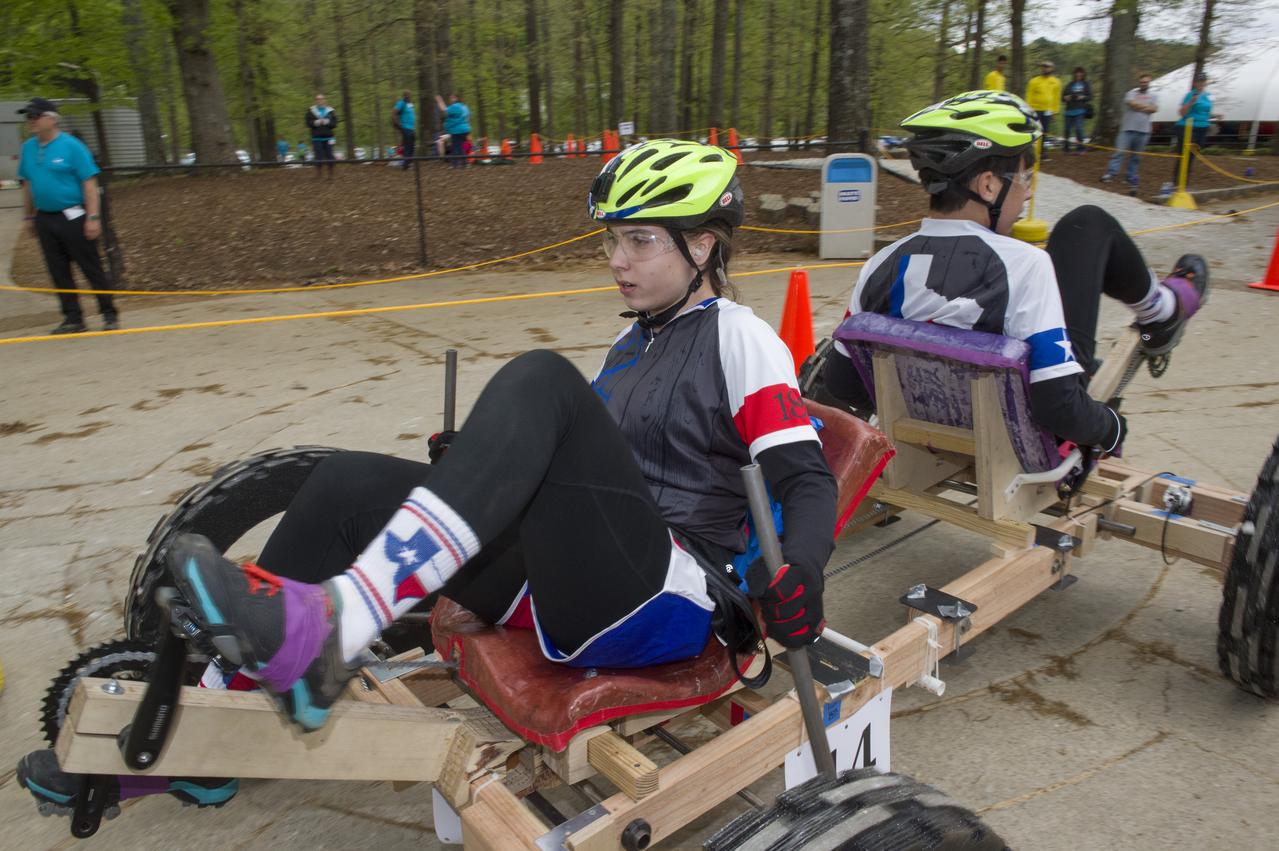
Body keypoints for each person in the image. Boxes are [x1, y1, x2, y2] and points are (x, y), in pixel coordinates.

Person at [17, 140, 838, 816]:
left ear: (703, 244)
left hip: (666, 597)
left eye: (640, 240)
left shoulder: (741, 337)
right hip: (577, 571)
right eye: (611, 239)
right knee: (341, 484)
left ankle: (336, 625)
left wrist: (798, 565)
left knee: (541, 377)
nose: (615, 260)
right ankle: (202, 734)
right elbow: (586, 478)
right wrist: (481, 467)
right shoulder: (634, 345)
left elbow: (803, 479)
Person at [820, 91, 1205, 459]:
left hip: (919, 430)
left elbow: (843, 384)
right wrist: (1112, 429)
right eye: (1024, 179)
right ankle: (1161, 310)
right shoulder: (1025, 264)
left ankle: (1162, 309)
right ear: (988, 185)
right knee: (1086, 225)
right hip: (1021, 441)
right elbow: (1061, 408)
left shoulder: (879, 264)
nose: (1026, 196)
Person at [16, 97, 120, 334]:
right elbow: (28, 184)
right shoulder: (28, 148)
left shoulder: (72, 146)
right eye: (28, 117)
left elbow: (89, 183)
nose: (31, 121)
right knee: (58, 270)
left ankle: (108, 313)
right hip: (45, 218)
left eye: (35, 116)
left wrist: (93, 218)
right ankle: (73, 318)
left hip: (73, 216)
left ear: (51, 119)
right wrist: (28, 217)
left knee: (90, 266)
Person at [1101, 73, 1158, 195]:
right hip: (1128, 128)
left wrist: (1140, 106)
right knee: (1119, 152)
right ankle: (1111, 173)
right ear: (1139, 82)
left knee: (1136, 156)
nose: (1144, 84)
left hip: (1144, 131)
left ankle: (1130, 176)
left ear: (1149, 83)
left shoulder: (1153, 95)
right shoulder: (1132, 93)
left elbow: (1154, 109)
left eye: (1146, 82)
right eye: (1142, 82)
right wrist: (1146, 107)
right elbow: (1131, 104)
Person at [1161, 71, 1214, 197]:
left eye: (1203, 81)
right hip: (1187, 127)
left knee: (1192, 156)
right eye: (1199, 81)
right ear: (1195, 83)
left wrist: (1214, 115)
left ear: (1206, 82)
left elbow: (1205, 111)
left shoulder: (1208, 96)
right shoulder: (1189, 95)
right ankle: (1177, 184)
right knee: (1185, 155)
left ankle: (1184, 184)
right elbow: (1182, 112)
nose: (1201, 83)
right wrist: (1191, 102)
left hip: (1203, 127)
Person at [1025, 60, 1061, 146]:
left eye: (1048, 67)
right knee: (1035, 130)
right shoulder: (1034, 81)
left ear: (1052, 68)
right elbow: (1029, 96)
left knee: (1045, 131)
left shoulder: (1056, 82)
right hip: (1035, 110)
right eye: (1043, 67)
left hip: (1048, 110)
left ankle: (1042, 153)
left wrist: (1055, 112)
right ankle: (1033, 151)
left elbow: (1056, 97)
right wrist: (1028, 110)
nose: (1045, 69)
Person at [305, 93, 338, 178]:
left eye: (322, 99)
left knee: (330, 155)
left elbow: (334, 124)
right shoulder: (311, 111)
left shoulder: (330, 111)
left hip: (329, 137)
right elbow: (308, 123)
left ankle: (331, 173)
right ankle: (318, 173)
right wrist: (315, 123)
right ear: (316, 101)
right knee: (318, 155)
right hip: (316, 137)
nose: (320, 101)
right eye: (318, 99)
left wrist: (328, 122)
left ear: (324, 100)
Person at [1061, 66, 1092, 154]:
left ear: (1083, 74)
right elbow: (1062, 97)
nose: (1078, 74)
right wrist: (1066, 97)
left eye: (1080, 72)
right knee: (1067, 130)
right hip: (1069, 110)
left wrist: (1083, 97)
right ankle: (1066, 149)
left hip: (1080, 110)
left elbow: (1090, 96)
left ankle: (1081, 148)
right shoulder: (1069, 84)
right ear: (1074, 74)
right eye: (1077, 72)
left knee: (1079, 129)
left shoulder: (1086, 84)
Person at [435, 92, 471, 168]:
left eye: (452, 97)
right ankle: (465, 163)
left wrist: (439, 100)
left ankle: (455, 164)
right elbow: (467, 117)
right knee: (459, 146)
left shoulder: (455, 106)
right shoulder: (464, 107)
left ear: (456, 98)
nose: (451, 99)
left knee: (455, 147)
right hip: (465, 130)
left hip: (457, 130)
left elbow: (444, 109)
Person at [392, 90, 416, 168]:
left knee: (412, 146)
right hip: (405, 128)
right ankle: (405, 164)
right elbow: (394, 113)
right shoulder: (401, 103)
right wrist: (399, 125)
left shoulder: (410, 105)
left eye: (409, 95)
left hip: (412, 128)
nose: (408, 96)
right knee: (407, 146)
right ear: (404, 96)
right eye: (406, 95)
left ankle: (409, 162)